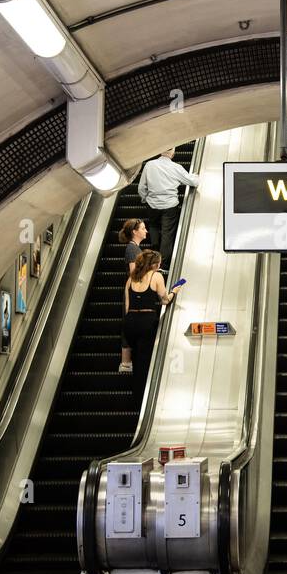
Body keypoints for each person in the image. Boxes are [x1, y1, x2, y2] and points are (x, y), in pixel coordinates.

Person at [123, 249, 179, 412]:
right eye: (159, 263)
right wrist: (174, 291)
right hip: (146, 323)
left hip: (130, 323)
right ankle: (142, 403)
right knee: (143, 363)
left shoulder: (131, 278)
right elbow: (164, 300)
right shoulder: (156, 276)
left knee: (137, 360)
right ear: (154, 264)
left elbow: (127, 306)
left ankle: (135, 398)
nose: (160, 266)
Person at [137, 146, 199, 272]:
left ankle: (153, 253)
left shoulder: (149, 165)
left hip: (152, 205)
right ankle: (163, 265)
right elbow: (193, 182)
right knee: (167, 234)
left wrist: (145, 199)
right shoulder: (176, 167)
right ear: (173, 153)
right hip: (169, 206)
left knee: (153, 227)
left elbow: (141, 188)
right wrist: (195, 176)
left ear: (160, 151)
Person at [118, 219, 147, 374]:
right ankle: (126, 363)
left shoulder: (135, 248)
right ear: (135, 232)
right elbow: (133, 273)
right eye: (143, 228)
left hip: (134, 291)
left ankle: (128, 362)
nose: (146, 231)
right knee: (129, 324)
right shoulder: (132, 249)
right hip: (132, 292)